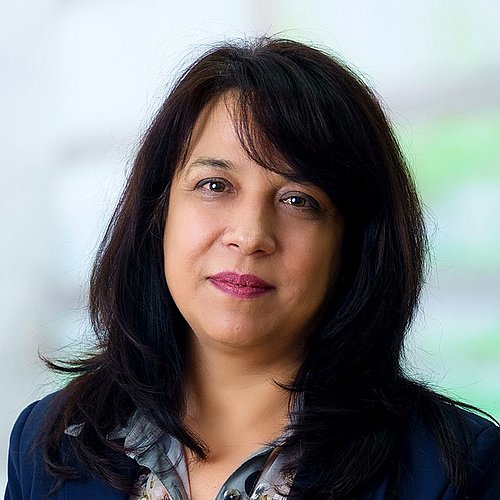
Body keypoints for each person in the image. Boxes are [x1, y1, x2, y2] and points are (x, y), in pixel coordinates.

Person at [5, 37, 500, 500]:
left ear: (354, 243)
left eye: (298, 199)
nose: (249, 235)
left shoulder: (457, 472)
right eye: (215, 185)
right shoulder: (49, 444)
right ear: (159, 212)